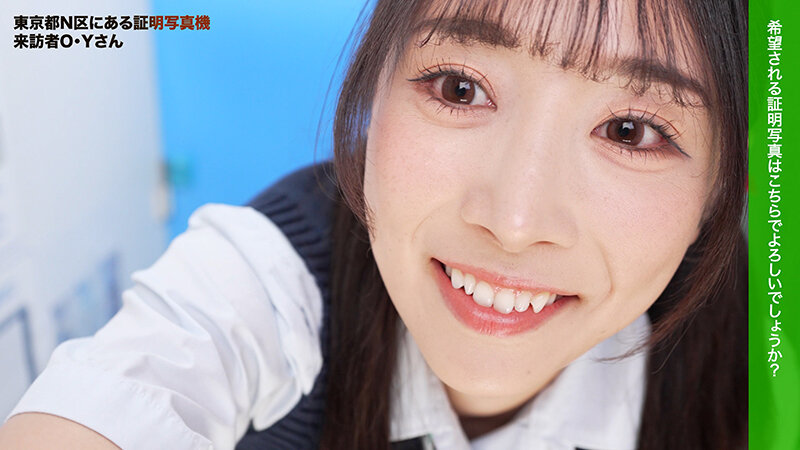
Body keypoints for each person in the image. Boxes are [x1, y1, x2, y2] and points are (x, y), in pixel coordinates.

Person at [0, 0, 748, 449]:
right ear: (373, 82)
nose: (515, 223)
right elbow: (123, 393)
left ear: (721, 192)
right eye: (460, 88)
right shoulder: (271, 279)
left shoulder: (760, 350)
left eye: (629, 132)